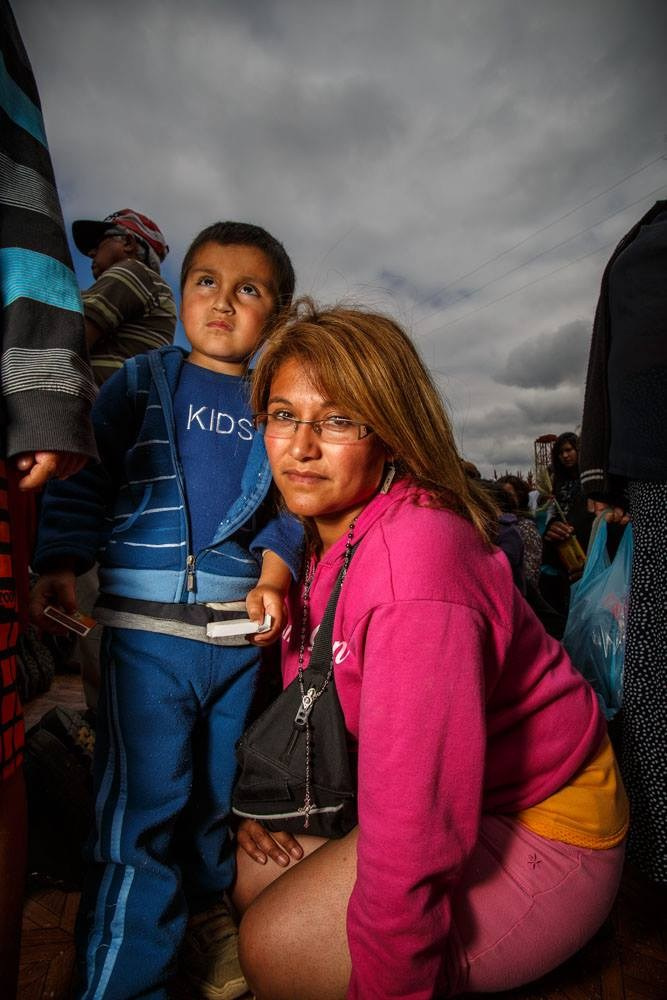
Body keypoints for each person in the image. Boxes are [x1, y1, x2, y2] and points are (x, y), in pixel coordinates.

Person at [232, 301, 628, 1000]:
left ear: (389, 434)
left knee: (275, 949)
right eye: (282, 414)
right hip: (466, 799)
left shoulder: (416, 565)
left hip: (546, 822)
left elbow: (416, 830)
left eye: (337, 419)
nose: (299, 446)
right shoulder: (325, 537)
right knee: (254, 875)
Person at [29, 221, 303, 999]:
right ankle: (122, 980)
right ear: (180, 296)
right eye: (205, 281)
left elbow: (288, 509)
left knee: (214, 800)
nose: (222, 300)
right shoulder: (143, 381)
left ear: (274, 316)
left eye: (248, 288)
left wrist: (276, 577)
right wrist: (58, 561)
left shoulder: (274, 405)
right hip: (144, 643)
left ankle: (199, 922)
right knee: (140, 815)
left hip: (235, 645)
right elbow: (84, 472)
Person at [1, 1, 98, 993]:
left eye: (115, 244)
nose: (103, 254)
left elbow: (20, 193)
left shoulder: (129, 303)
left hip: (48, 469)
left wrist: (46, 383)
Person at [580, 200, 667, 885]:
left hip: (644, 461)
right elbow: (608, 353)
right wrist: (600, 470)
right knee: (654, 657)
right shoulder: (641, 238)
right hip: (649, 465)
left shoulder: (639, 241)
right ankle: (654, 848)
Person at [72, 207, 177, 386]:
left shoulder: (133, 271)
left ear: (128, 242)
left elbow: (69, 340)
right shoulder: (152, 287)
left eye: (99, 243)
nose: (91, 253)